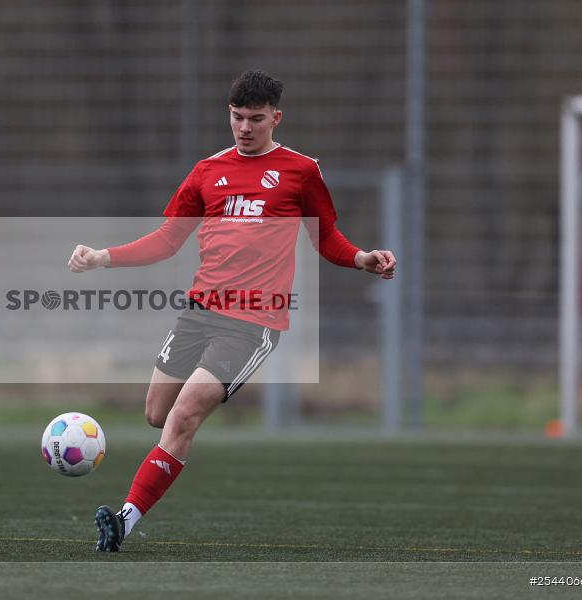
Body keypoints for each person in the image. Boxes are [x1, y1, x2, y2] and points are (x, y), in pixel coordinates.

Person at [67, 70, 396, 552]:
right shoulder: (206, 172)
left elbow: (324, 235)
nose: (245, 127)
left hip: (253, 321)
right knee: (157, 414)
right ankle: (179, 441)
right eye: (237, 117)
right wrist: (102, 257)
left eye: (256, 119)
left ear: (276, 118)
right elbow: (167, 239)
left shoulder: (301, 171)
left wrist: (362, 258)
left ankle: (123, 522)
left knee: (181, 417)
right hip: (200, 312)